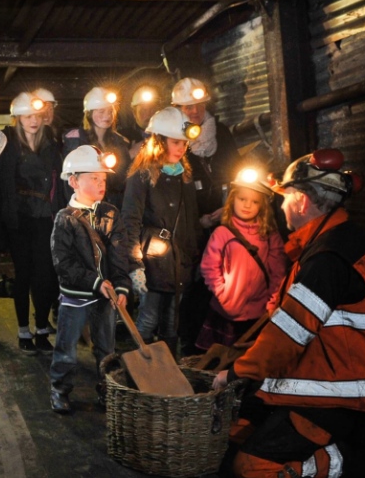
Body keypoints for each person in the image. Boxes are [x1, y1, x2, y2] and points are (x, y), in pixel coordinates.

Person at [212, 149, 365, 477]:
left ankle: (350, 462)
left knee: (251, 466)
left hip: (351, 402)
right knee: (237, 430)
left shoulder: (328, 259)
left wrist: (235, 374)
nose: (281, 206)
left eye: (286, 197)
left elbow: (287, 337)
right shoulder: (331, 242)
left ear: (303, 202)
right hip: (336, 384)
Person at [48, 145, 130, 414]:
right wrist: (95, 282)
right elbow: (64, 265)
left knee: (106, 349)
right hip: (76, 297)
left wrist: (121, 286)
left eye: (103, 179)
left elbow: (119, 254)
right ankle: (60, 389)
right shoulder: (64, 219)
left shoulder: (110, 213)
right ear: (74, 181)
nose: (100, 183)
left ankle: (107, 390)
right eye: (94, 178)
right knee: (67, 348)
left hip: (105, 297)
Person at [0, 91, 64, 356]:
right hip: (18, 219)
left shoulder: (50, 145)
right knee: (24, 275)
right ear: (17, 117)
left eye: (38, 116)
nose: (34, 120)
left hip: (44, 217)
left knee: (45, 276)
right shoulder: (7, 144)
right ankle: (23, 330)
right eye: (28, 115)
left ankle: (42, 330)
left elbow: (58, 183)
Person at [121, 107, 201, 356]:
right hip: (153, 260)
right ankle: (143, 375)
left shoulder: (184, 176)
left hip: (178, 261)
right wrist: (136, 266)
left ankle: (168, 376)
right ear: (159, 141)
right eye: (176, 142)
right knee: (148, 319)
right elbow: (130, 221)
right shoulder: (142, 176)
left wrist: (192, 258)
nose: (181, 148)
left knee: (172, 323)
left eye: (184, 143)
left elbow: (190, 221)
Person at [171, 77, 242, 356]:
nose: (194, 111)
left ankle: (217, 340)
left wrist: (230, 207)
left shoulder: (220, 132)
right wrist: (196, 220)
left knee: (223, 279)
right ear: (178, 108)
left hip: (223, 217)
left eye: (198, 105)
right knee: (194, 283)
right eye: (187, 107)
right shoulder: (173, 137)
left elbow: (236, 169)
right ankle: (190, 342)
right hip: (192, 222)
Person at [194, 167, 287, 350]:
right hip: (225, 312)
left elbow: (278, 270)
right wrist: (223, 294)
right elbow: (209, 267)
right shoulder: (222, 233)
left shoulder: (268, 234)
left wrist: (273, 300)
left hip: (259, 312)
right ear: (233, 199)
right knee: (219, 360)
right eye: (242, 199)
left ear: (262, 206)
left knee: (248, 361)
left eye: (254, 201)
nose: (247, 205)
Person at [62, 86, 131, 209]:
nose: (107, 116)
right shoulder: (75, 140)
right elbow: (70, 181)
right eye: (101, 111)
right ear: (89, 114)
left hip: (113, 207)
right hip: (84, 207)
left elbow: (123, 178)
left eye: (110, 111)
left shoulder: (119, 142)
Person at [122, 84, 160, 158]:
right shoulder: (123, 138)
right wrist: (129, 155)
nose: (148, 114)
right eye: (143, 110)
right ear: (134, 112)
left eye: (152, 109)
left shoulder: (166, 135)